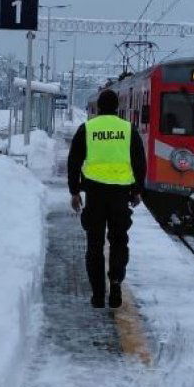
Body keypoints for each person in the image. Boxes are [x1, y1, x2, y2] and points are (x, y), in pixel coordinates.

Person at [67, 89, 147, 308]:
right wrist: (137, 190)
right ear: (117, 107)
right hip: (120, 196)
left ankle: (98, 295)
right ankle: (116, 283)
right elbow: (139, 162)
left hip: (95, 195)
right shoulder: (128, 129)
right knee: (119, 241)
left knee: (94, 244)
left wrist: (74, 192)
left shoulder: (88, 128)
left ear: (99, 107)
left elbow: (74, 161)